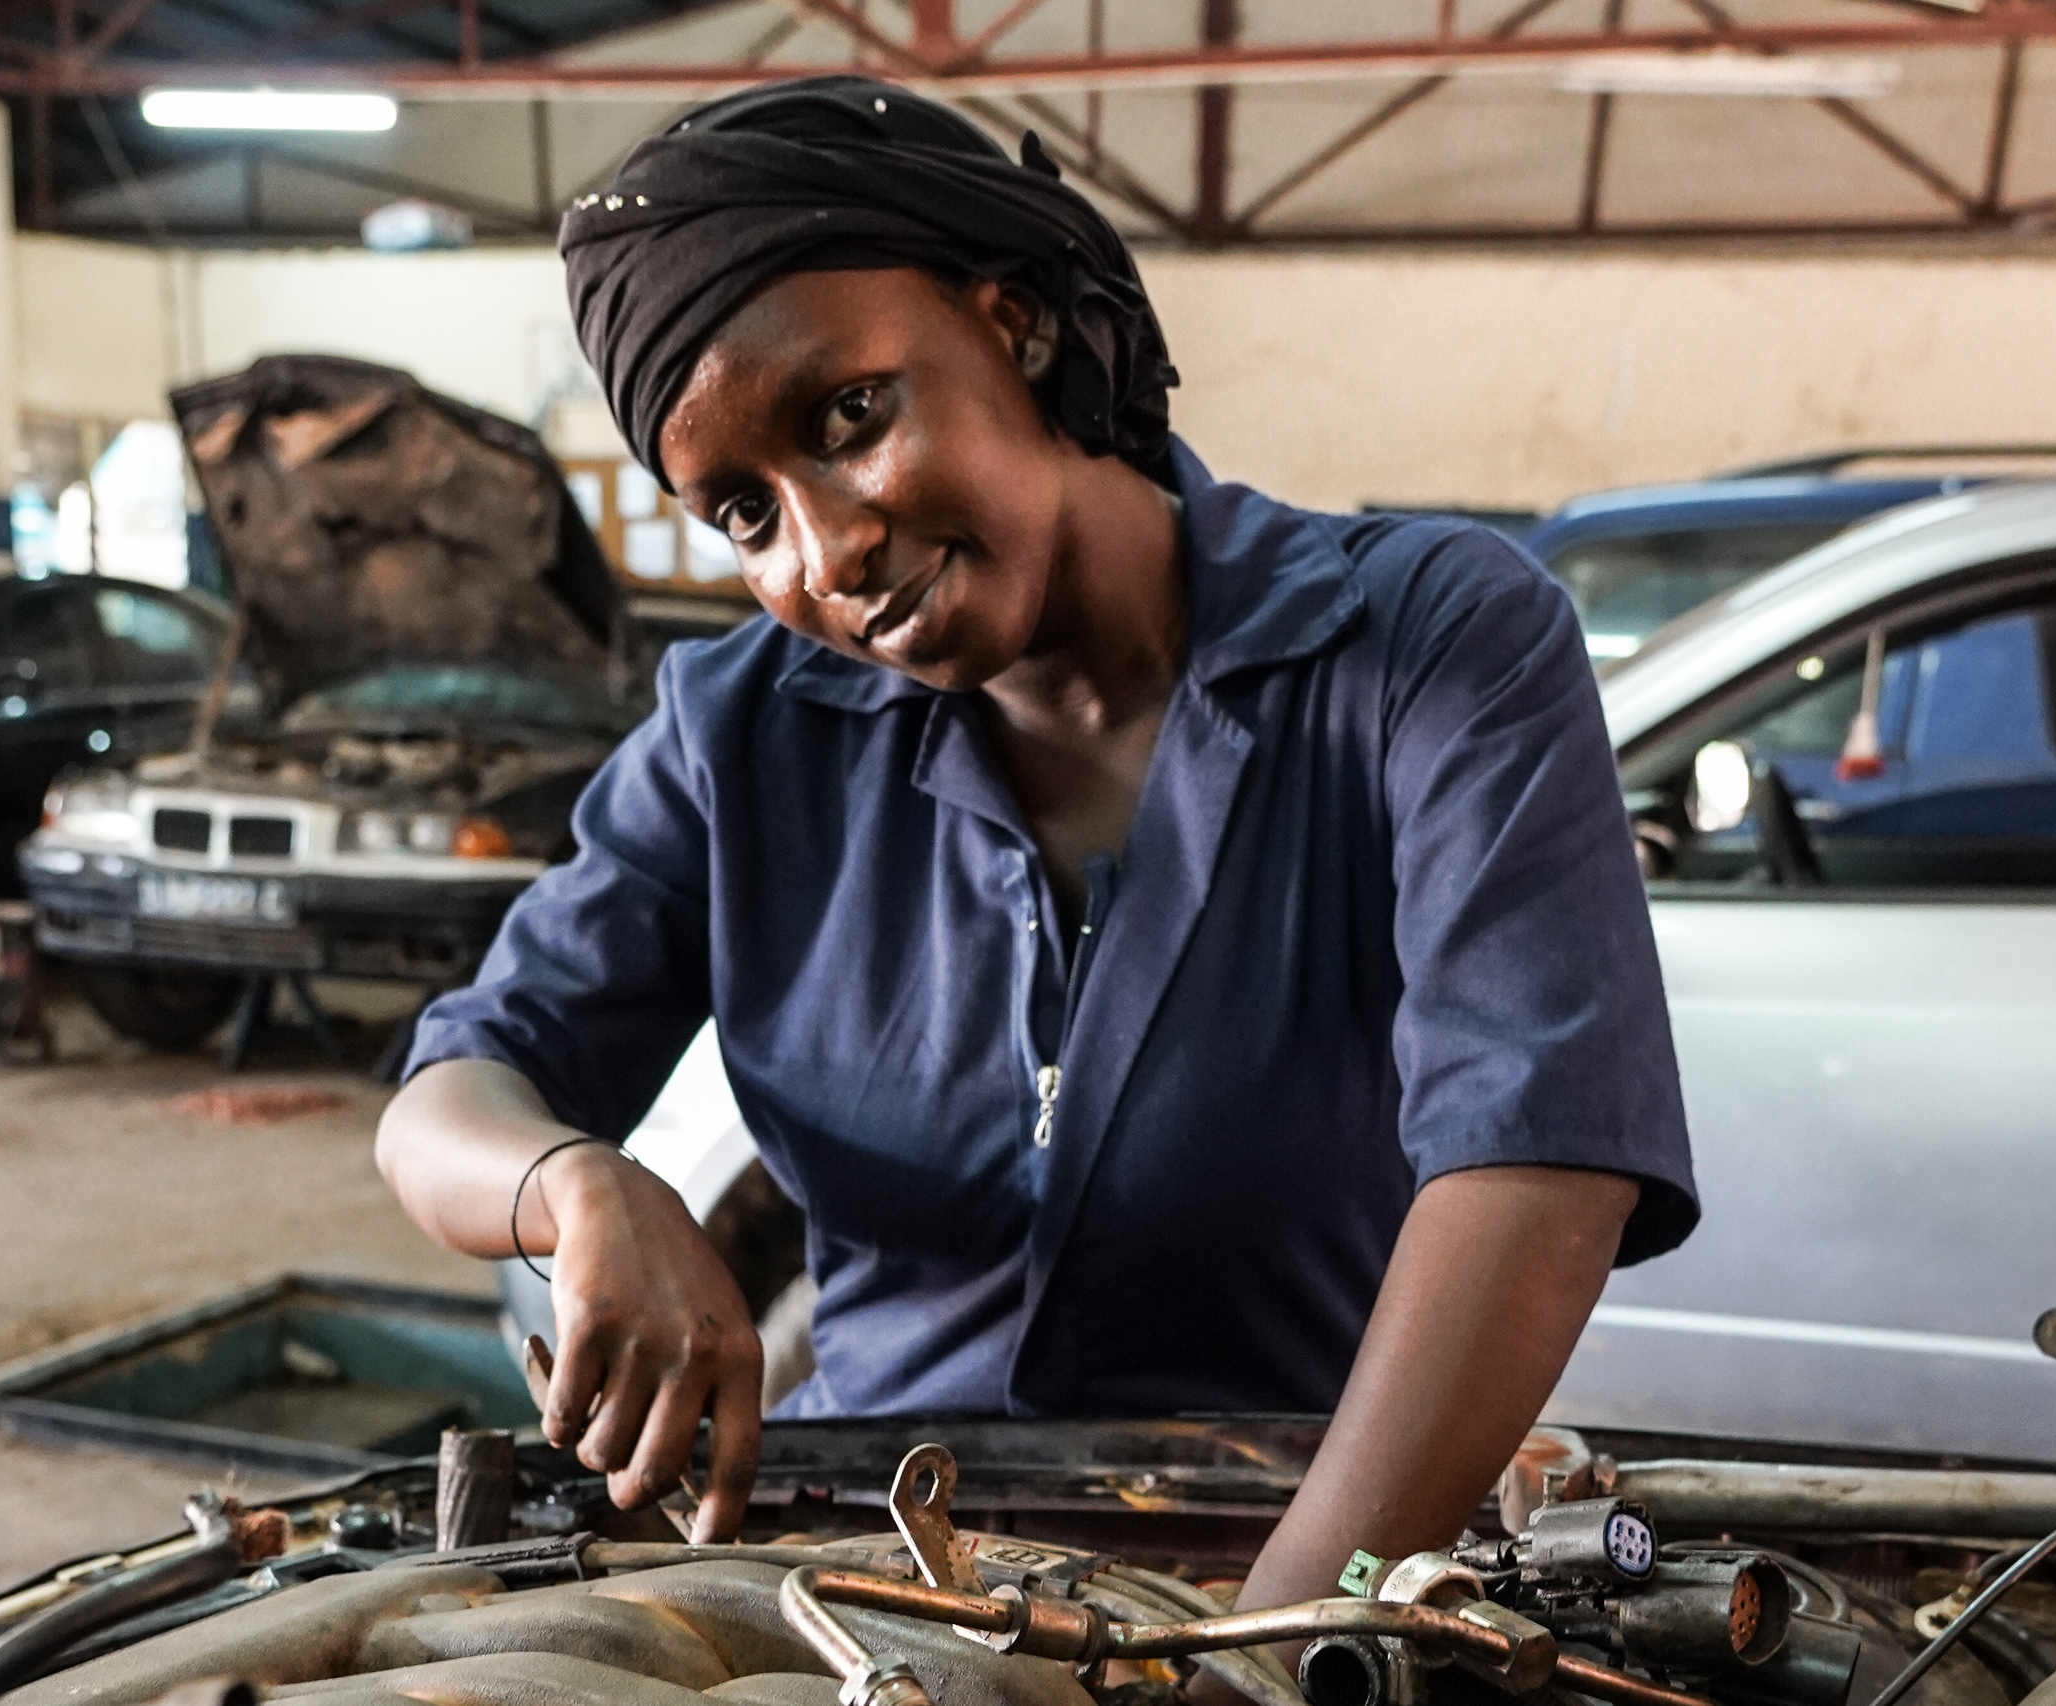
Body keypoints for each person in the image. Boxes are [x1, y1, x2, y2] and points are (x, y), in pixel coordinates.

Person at [375, 74, 1696, 1631]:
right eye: (744, 513)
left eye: (850, 415)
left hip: (1318, 1546)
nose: (825, 552)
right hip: (878, 1593)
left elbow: (1538, 1168)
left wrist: (1271, 1648)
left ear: (1016, 324)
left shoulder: (1427, 643)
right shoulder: (744, 732)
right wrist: (574, 1182)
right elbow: (448, 1094)